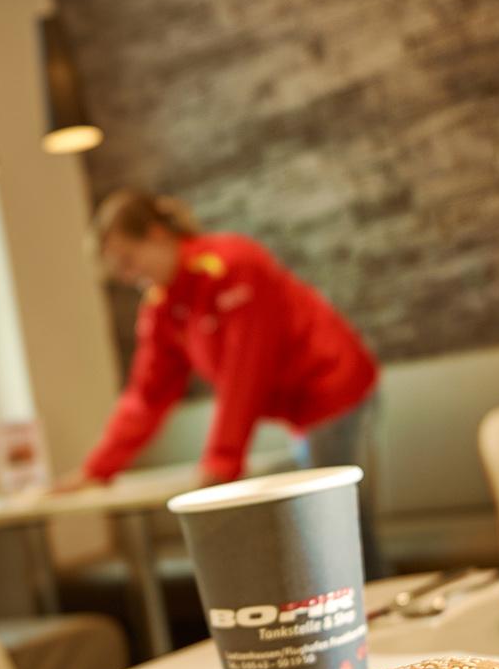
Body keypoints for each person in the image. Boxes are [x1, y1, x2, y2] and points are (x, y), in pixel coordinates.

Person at [58, 189, 386, 578]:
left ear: (158, 235)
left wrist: (222, 460)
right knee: (328, 529)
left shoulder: (233, 265)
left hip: (334, 385)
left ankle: (380, 608)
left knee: (339, 529)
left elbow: (246, 370)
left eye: (129, 260)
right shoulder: (163, 307)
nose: (130, 276)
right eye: (120, 272)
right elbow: (146, 396)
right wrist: (96, 470)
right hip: (301, 413)